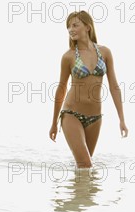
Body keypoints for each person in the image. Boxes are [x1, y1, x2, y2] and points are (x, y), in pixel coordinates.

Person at [49, 11, 128, 168]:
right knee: (85, 164)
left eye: (75, 25)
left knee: (84, 167)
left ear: (88, 27)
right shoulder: (68, 57)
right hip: (71, 114)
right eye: (68, 27)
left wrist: (122, 119)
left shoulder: (105, 52)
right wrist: (53, 123)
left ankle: (79, 192)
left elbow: (114, 86)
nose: (70, 29)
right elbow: (61, 89)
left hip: (95, 118)